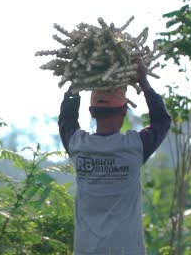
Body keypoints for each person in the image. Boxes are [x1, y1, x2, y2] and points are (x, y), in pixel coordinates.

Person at [58, 62, 171, 255]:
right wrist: (144, 82)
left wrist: (75, 83)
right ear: (124, 111)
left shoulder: (78, 144)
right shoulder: (135, 146)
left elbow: (66, 119)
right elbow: (162, 120)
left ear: (91, 112)